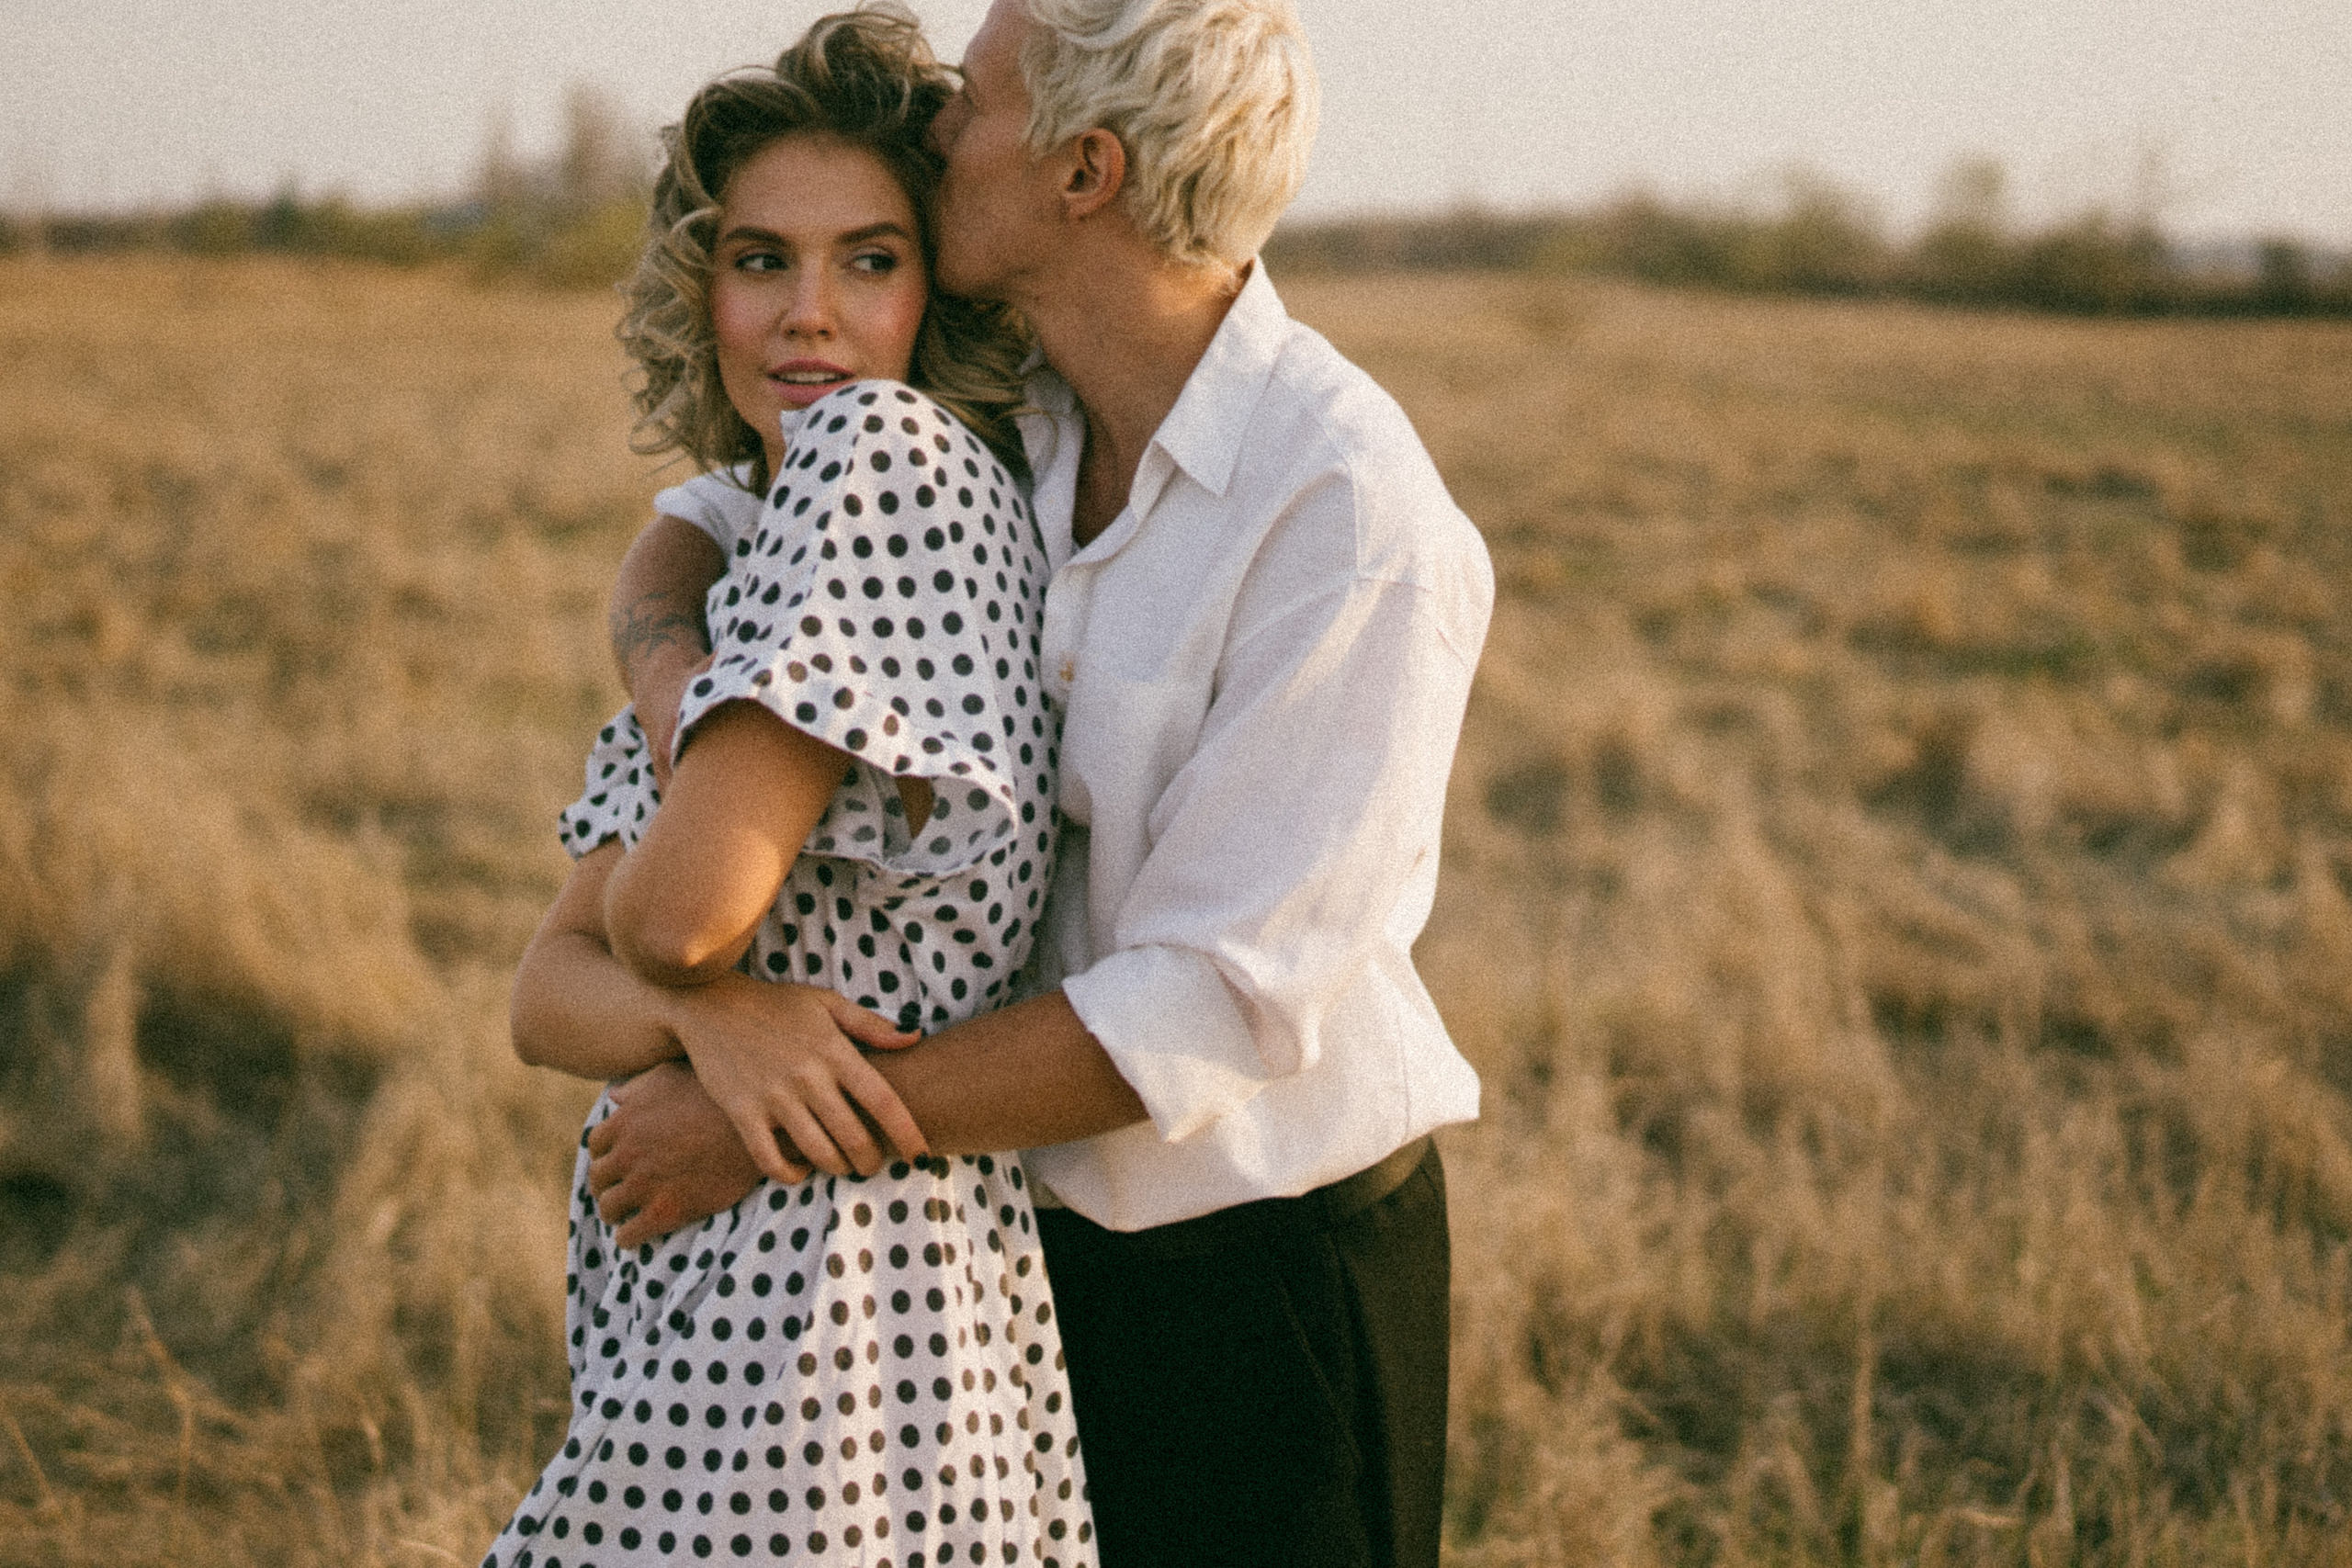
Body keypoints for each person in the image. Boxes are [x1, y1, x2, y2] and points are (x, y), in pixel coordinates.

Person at [593, 0, 1493, 1562]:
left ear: (1084, 170)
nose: (940, 117)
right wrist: (662, 643)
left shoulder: (1351, 516)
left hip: (1252, 1283)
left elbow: (1207, 1003)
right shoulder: (1007, 412)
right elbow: (722, 503)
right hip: (982, 1253)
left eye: (981, 93)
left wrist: (764, 1117)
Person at [482, 10, 1093, 1565]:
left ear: (933, 288)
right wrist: (712, 1023)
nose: (807, 317)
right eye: (762, 260)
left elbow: (678, 913)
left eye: (870, 261)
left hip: (823, 1298)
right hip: (746, 1288)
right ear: (704, 283)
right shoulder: (762, 536)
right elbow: (547, 996)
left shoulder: (882, 463)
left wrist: (690, 973)